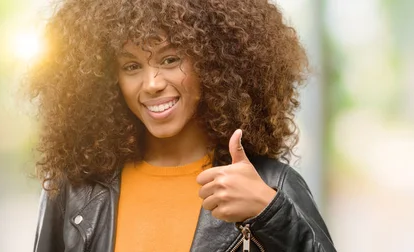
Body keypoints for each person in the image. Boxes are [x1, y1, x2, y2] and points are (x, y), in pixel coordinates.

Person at [28, 0, 336, 251]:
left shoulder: (270, 185)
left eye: (170, 59)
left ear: (214, 62)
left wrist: (270, 214)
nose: (152, 84)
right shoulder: (74, 189)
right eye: (132, 66)